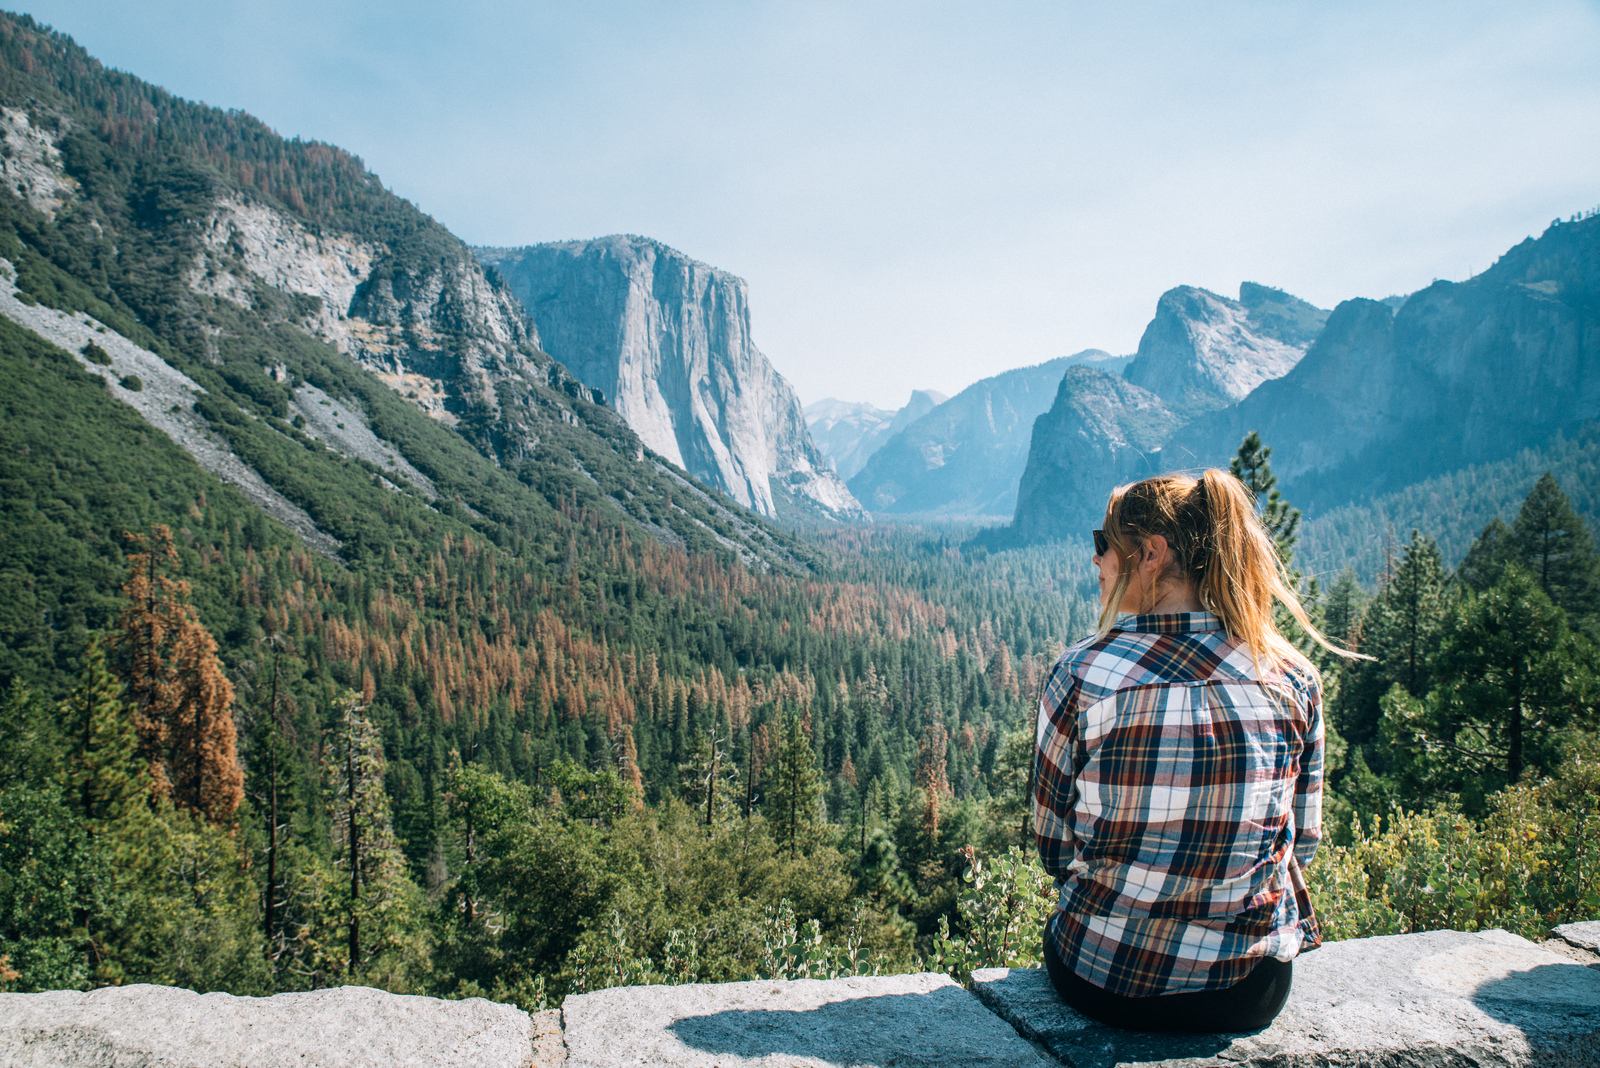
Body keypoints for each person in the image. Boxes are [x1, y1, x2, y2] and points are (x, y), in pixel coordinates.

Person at [1033, 468, 1362, 1033]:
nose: (1097, 561)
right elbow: (1301, 845)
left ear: (1151, 552)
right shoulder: (1292, 679)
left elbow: (1054, 849)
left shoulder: (1082, 676)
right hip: (1247, 990)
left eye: (1103, 545)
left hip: (1104, 977)